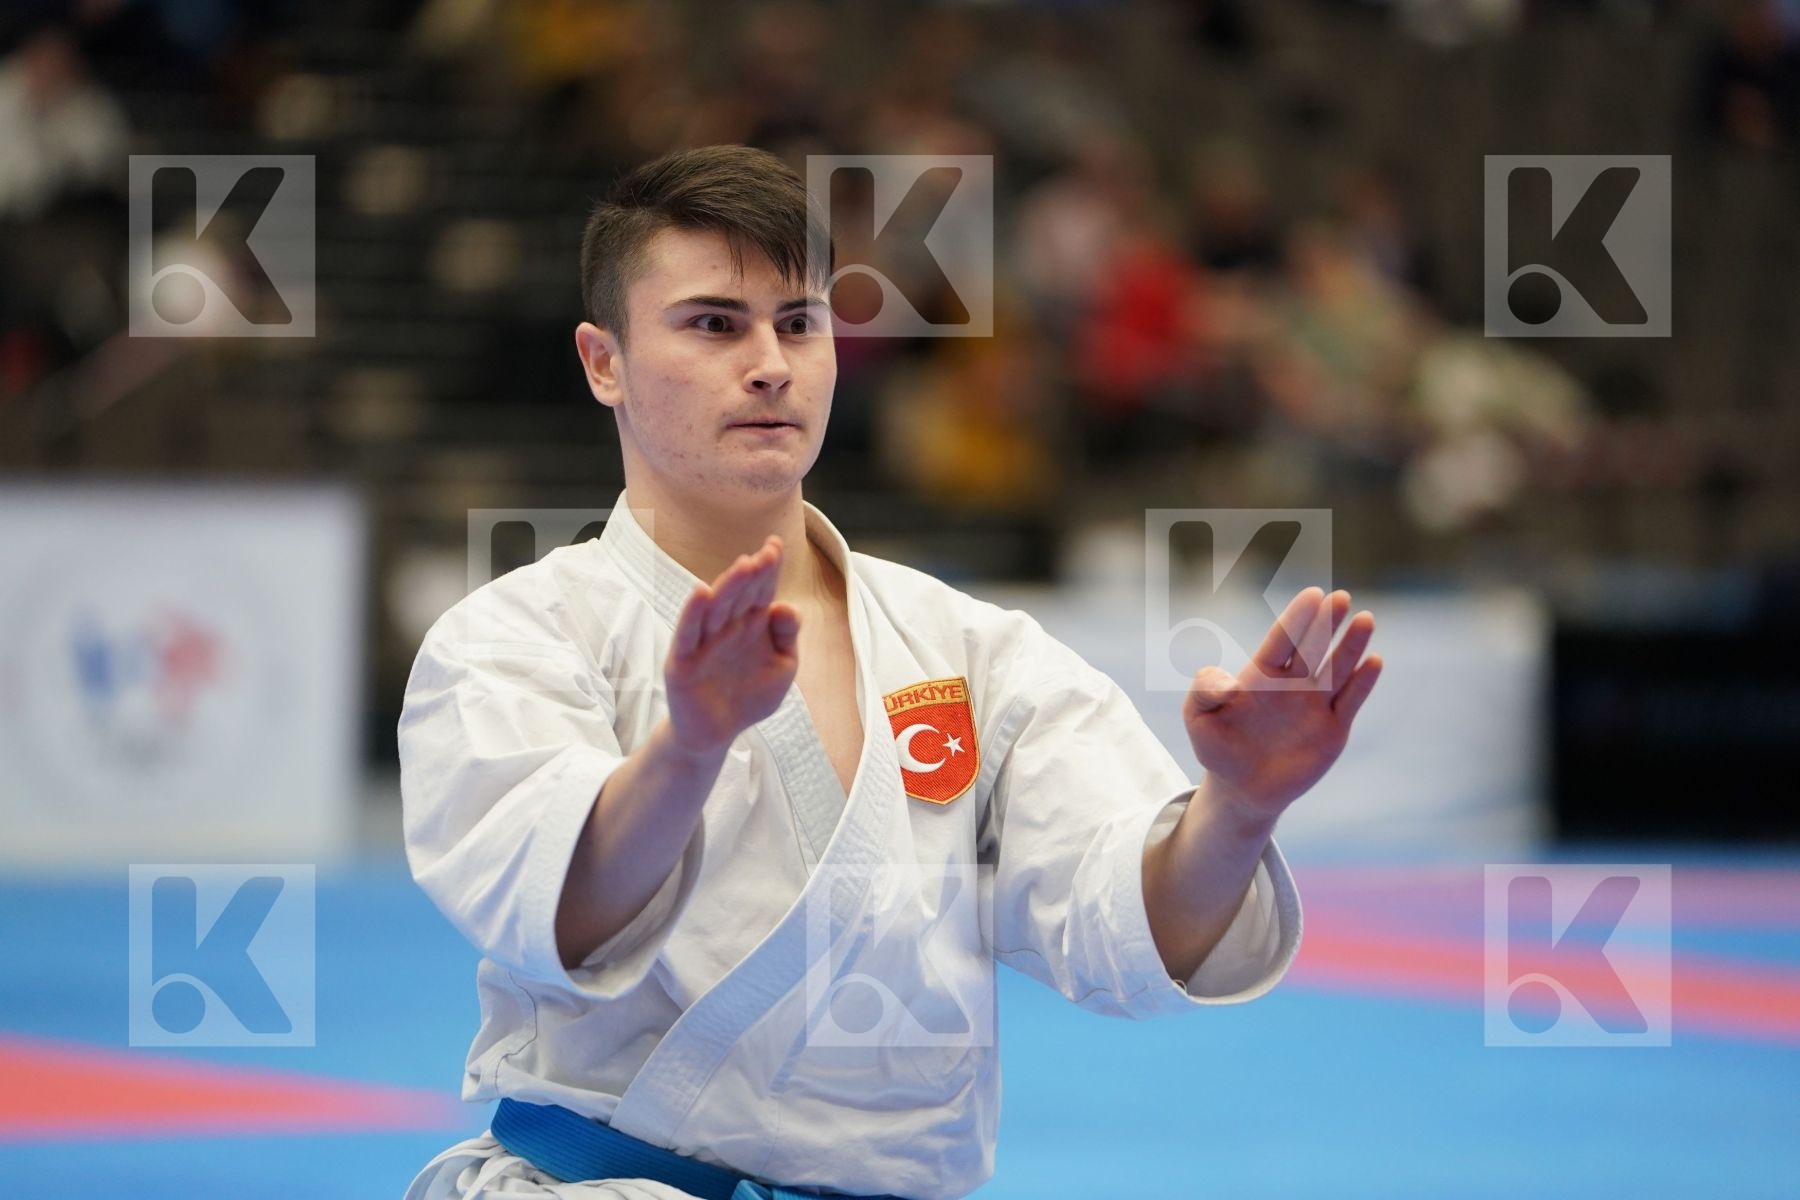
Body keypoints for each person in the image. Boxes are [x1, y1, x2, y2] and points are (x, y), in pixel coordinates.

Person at [398, 144, 1383, 1200]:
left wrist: (1239, 808)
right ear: (605, 363)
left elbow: (1122, 932)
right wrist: (688, 746)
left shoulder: (963, 646)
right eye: (714, 323)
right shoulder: (512, 639)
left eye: (800, 322)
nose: (770, 362)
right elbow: (559, 912)